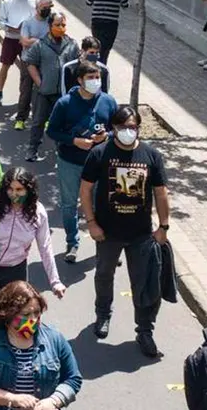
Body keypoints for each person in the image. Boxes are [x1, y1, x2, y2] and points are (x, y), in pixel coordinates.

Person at [80, 106, 170, 357]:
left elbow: (161, 193)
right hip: (107, 232)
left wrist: (163, 226)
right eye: (123, 127)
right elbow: (86, 189)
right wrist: (91, 222)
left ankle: (144, 330)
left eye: (133, 127)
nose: (128, 132)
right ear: (113, 129)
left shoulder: (151, 155)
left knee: (144, 281)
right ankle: (103, 314)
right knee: (104, 274)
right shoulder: (100, 153)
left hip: (141, 234)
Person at [0, 169, 66, 326]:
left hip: (14, 272)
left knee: (10, 319)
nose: (14, 194)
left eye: (19, 189)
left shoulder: (38, 213)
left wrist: (55, 281)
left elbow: (45, 248)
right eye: (10, 189)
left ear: (29, 190)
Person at [0, 280, 82, 410]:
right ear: (7, 314)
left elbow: (73, 378)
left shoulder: (54, 338)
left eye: (37, 312)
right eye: (26, 314)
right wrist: (11, 399)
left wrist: (54, 400)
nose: (33, 320)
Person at [47, 60, 118, 262]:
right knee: (69, 204)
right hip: (70, 162)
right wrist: (74, 141)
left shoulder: (108, 101)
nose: (95, 81)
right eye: (91, 78)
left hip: (98, 164)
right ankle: (72, 242)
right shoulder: (65, 103)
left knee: (100, 203)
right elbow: (52, 131)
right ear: (79, 80)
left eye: (98, 78)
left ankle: (103, 244)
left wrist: (106, 137)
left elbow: (116, 129)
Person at [25, 12, 79, 162]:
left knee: (63, 124)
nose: (61, 28)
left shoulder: (72, 45)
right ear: (50, 26)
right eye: (57, 25)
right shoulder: (40, 44)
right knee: (38, 122)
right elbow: (30, 63)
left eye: (63, 25)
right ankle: (32, 149)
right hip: (44, 92)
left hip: (63, 94)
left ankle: (61, 151)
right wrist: (39, 82)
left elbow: (77, 65)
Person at [14, 0, 53, 128]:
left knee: (45, 91)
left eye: (49, 8)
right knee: (26, 91)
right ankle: (21, 119)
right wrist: (41, 40)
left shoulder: (51, 22)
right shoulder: (28, 23)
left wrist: (34, 40)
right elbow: (24, 41)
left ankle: (44, 118)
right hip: (28, 62)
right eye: (45, 8)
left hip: (45, 62)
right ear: (37, 8)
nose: (47, 10)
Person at [0, 0, 35, 106]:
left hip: (26, 40)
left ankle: (25, 94)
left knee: (26, 68)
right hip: (10, 38)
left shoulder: (33, 2)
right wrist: (7, 27)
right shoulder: (8, 1)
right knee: (5, 65)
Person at [86, 0, 130, 64]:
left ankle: (92, 65)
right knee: (106, 49)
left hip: (97, 22)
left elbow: (88, 2)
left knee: (96, 45)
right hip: (111, 23)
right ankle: (102, 66)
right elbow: (125, 5)